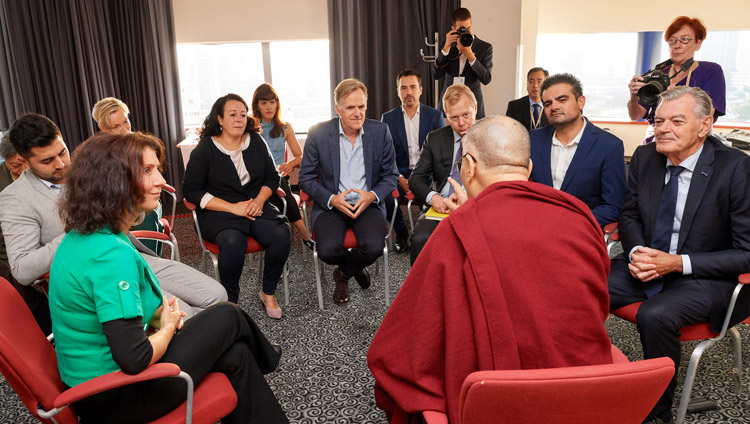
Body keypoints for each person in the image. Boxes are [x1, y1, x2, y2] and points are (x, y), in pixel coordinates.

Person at [368, 116, 613, 424]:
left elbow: (407, 340)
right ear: (529, 168)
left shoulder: (455, 232)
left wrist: (469, 220)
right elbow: (598, 306)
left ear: (468, 167)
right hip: (584, 393)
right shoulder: (578, 217)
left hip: (497, 399)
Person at [49, 132, 288, 423]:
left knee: (236, 354)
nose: (161, 180)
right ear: (114, 180)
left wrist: (162, 317)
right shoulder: (109, 255)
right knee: (228, 315)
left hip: (95, 386)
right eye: (148, 171)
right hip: (117, 396)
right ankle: (269, 358)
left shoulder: (85, 235)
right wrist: (169, 324)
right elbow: (134, 358)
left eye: (157, 169)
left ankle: (263, 365)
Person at [609, 86, 750, 424]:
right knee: (580, 284)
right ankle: (588, 380)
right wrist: (639, 252)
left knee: (656, 315)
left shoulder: (736, 169)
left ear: (705, 125)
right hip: (648, 262)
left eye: (676, 121)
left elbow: (747, 252)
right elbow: (628, 215)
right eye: (658, 120)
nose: (663, 129)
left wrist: (676, 263)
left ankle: (656, 413)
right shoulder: (645, 157)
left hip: (705, 276)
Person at [0, 113, 226, 321]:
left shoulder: (87, 169)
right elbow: (22, 269)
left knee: (217, 296)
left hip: (130, 254)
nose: (60, 164)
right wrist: (82, 230)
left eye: (62, 152)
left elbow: (128, 218)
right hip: (96, 277)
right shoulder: (15, 198)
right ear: (24, 161)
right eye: (47, 161)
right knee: (187, 316)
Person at [183, 94, 290, 317]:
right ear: (220, 119)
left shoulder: (256, 141)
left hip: (254, 204)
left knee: (281, 233)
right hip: (220, 211)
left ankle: (268, 292)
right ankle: (231, 302)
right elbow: (192, 190)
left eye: (243, 114)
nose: (239, 119)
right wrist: (233, 208)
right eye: (232, 115)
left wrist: (260, 200)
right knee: (233, 241)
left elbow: (272, 177)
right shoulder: (204, 150)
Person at [298, 78, 398, 305]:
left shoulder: (380, 131)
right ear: (338, 109)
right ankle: (353, 267)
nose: (357, 113)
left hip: (367, 203)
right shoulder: (319, 133)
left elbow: (391, 175)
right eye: (350, 107)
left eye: (361, 106)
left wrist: (371, 195)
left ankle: (343, 275)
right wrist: (332, 199)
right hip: (331, 205)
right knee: (326, 251)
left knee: (374, 246)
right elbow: (305, 179)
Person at [530, 73, 626, 227]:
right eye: (548, 104)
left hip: (580, 231)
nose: (554, 107)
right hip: (537, 226)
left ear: (581, 102)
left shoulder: (609, 146)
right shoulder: (533, 140)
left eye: (562, 100)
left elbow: (613, 206)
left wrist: (568, 222)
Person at [627, 16, 726, 143]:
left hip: (693, 139)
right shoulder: (658, 75)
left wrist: (675, 100)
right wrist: (633, 97)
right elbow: (635, 115)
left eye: (684, 40)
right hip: (658, 137)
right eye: (672, 40)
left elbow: (706, 115)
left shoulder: (711, 70)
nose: (677, 45)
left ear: (698, 43)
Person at [408, 84, 476, 265]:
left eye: (466, 115)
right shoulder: (435, 138)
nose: (461, 123)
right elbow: (416, 178)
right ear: (446, 117)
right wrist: (434, 197)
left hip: (476, 207)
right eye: (454, 117)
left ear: (475, 109)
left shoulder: (490, 137)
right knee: (419, 240)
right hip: (442, 206)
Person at [380, 69, 444, 253]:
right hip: (399, 173)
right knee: (386, 198)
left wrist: (420, 179)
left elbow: (439, 154)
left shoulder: (434, 116)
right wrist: (400, 178)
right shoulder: (388, 118)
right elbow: (386, 155)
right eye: (404, 88)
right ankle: (401, 233)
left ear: (421, 90)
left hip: (427, 173)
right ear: (398, 91)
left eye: (413, 87)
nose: (409, 92)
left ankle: (424, 237)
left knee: (433, 200)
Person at [92, 96, 165, 255]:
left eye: (126, 122)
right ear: (103, 128)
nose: (125, 129)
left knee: (149, 215)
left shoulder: (140, 146)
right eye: (116, 126)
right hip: (116, 208)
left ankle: (151, 265)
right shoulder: (98, 155)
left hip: (146, 203)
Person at [250, 83, 313, 250]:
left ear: (277, 103)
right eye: (264, 103)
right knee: (280, 192)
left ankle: (277, 244)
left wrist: (291, 164)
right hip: (256, 178)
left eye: (272, 102)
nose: (269, 106)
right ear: (257, 105)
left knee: (278, 185)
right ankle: (306, 236)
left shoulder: (285, 127)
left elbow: (300, 156)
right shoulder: (250, 127)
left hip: (278, 178)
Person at [434, 7, 493, 119]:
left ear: (471, 24)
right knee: (444, 135)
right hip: (448, 105)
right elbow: (436, 74)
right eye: (462, 29)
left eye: (469, 27)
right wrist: (446, 48)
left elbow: (486, 78)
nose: (467, 31)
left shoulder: (485, 47)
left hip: (472, 106)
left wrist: (470, 55)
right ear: (453, 28)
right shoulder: (447, 45)